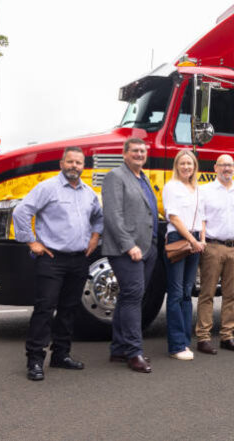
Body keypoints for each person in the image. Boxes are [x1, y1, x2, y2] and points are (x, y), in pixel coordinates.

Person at [13, 146, 103, 381]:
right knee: (45, 309)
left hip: (78, 260)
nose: (74, 166)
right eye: (70, 162)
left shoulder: (88, 193)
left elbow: (99, 217)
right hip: (52, 259)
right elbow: (21, 212)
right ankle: (34, 360)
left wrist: (95, 237)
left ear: (84, 166)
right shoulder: (47, 188)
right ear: (61, 163)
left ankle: (61, 355)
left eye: (79, 163)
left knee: (69, 309)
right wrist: (32, 242)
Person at [102, 137, 158, 373]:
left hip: (147, 247)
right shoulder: (116, 176)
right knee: (134, 298)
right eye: (135, 151)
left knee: (128, 297)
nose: (139, 154)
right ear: (124, 154)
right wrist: (128, 245)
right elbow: (113, 215)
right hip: (128, 250)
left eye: (142, 151)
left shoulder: (142, 177)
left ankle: (118, 349)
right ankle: (134, 353)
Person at [196, 154, 234, 355]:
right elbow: (201, 218)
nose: (226, 169)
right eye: (223, 165)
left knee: (231, 294)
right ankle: (203, 337)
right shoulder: (205, 191)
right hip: (212, 247)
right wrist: (202, 241)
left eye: (230, 165)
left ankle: (227, 336)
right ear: (215, 168)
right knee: (207, 293)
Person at [162, 149, 206, 361]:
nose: (186, 167)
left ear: (194, 166)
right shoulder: (172, 187)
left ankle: (185, 341)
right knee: (176, 292)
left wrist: (202, 239)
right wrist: (193, 240)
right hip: (179, 239)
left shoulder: (197, 188)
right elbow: (174, 217)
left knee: (188, 292)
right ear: (177, 166)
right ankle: (176, 345)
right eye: (183, 163)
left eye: (190, 163)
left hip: (196, 239)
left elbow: (202, 217)